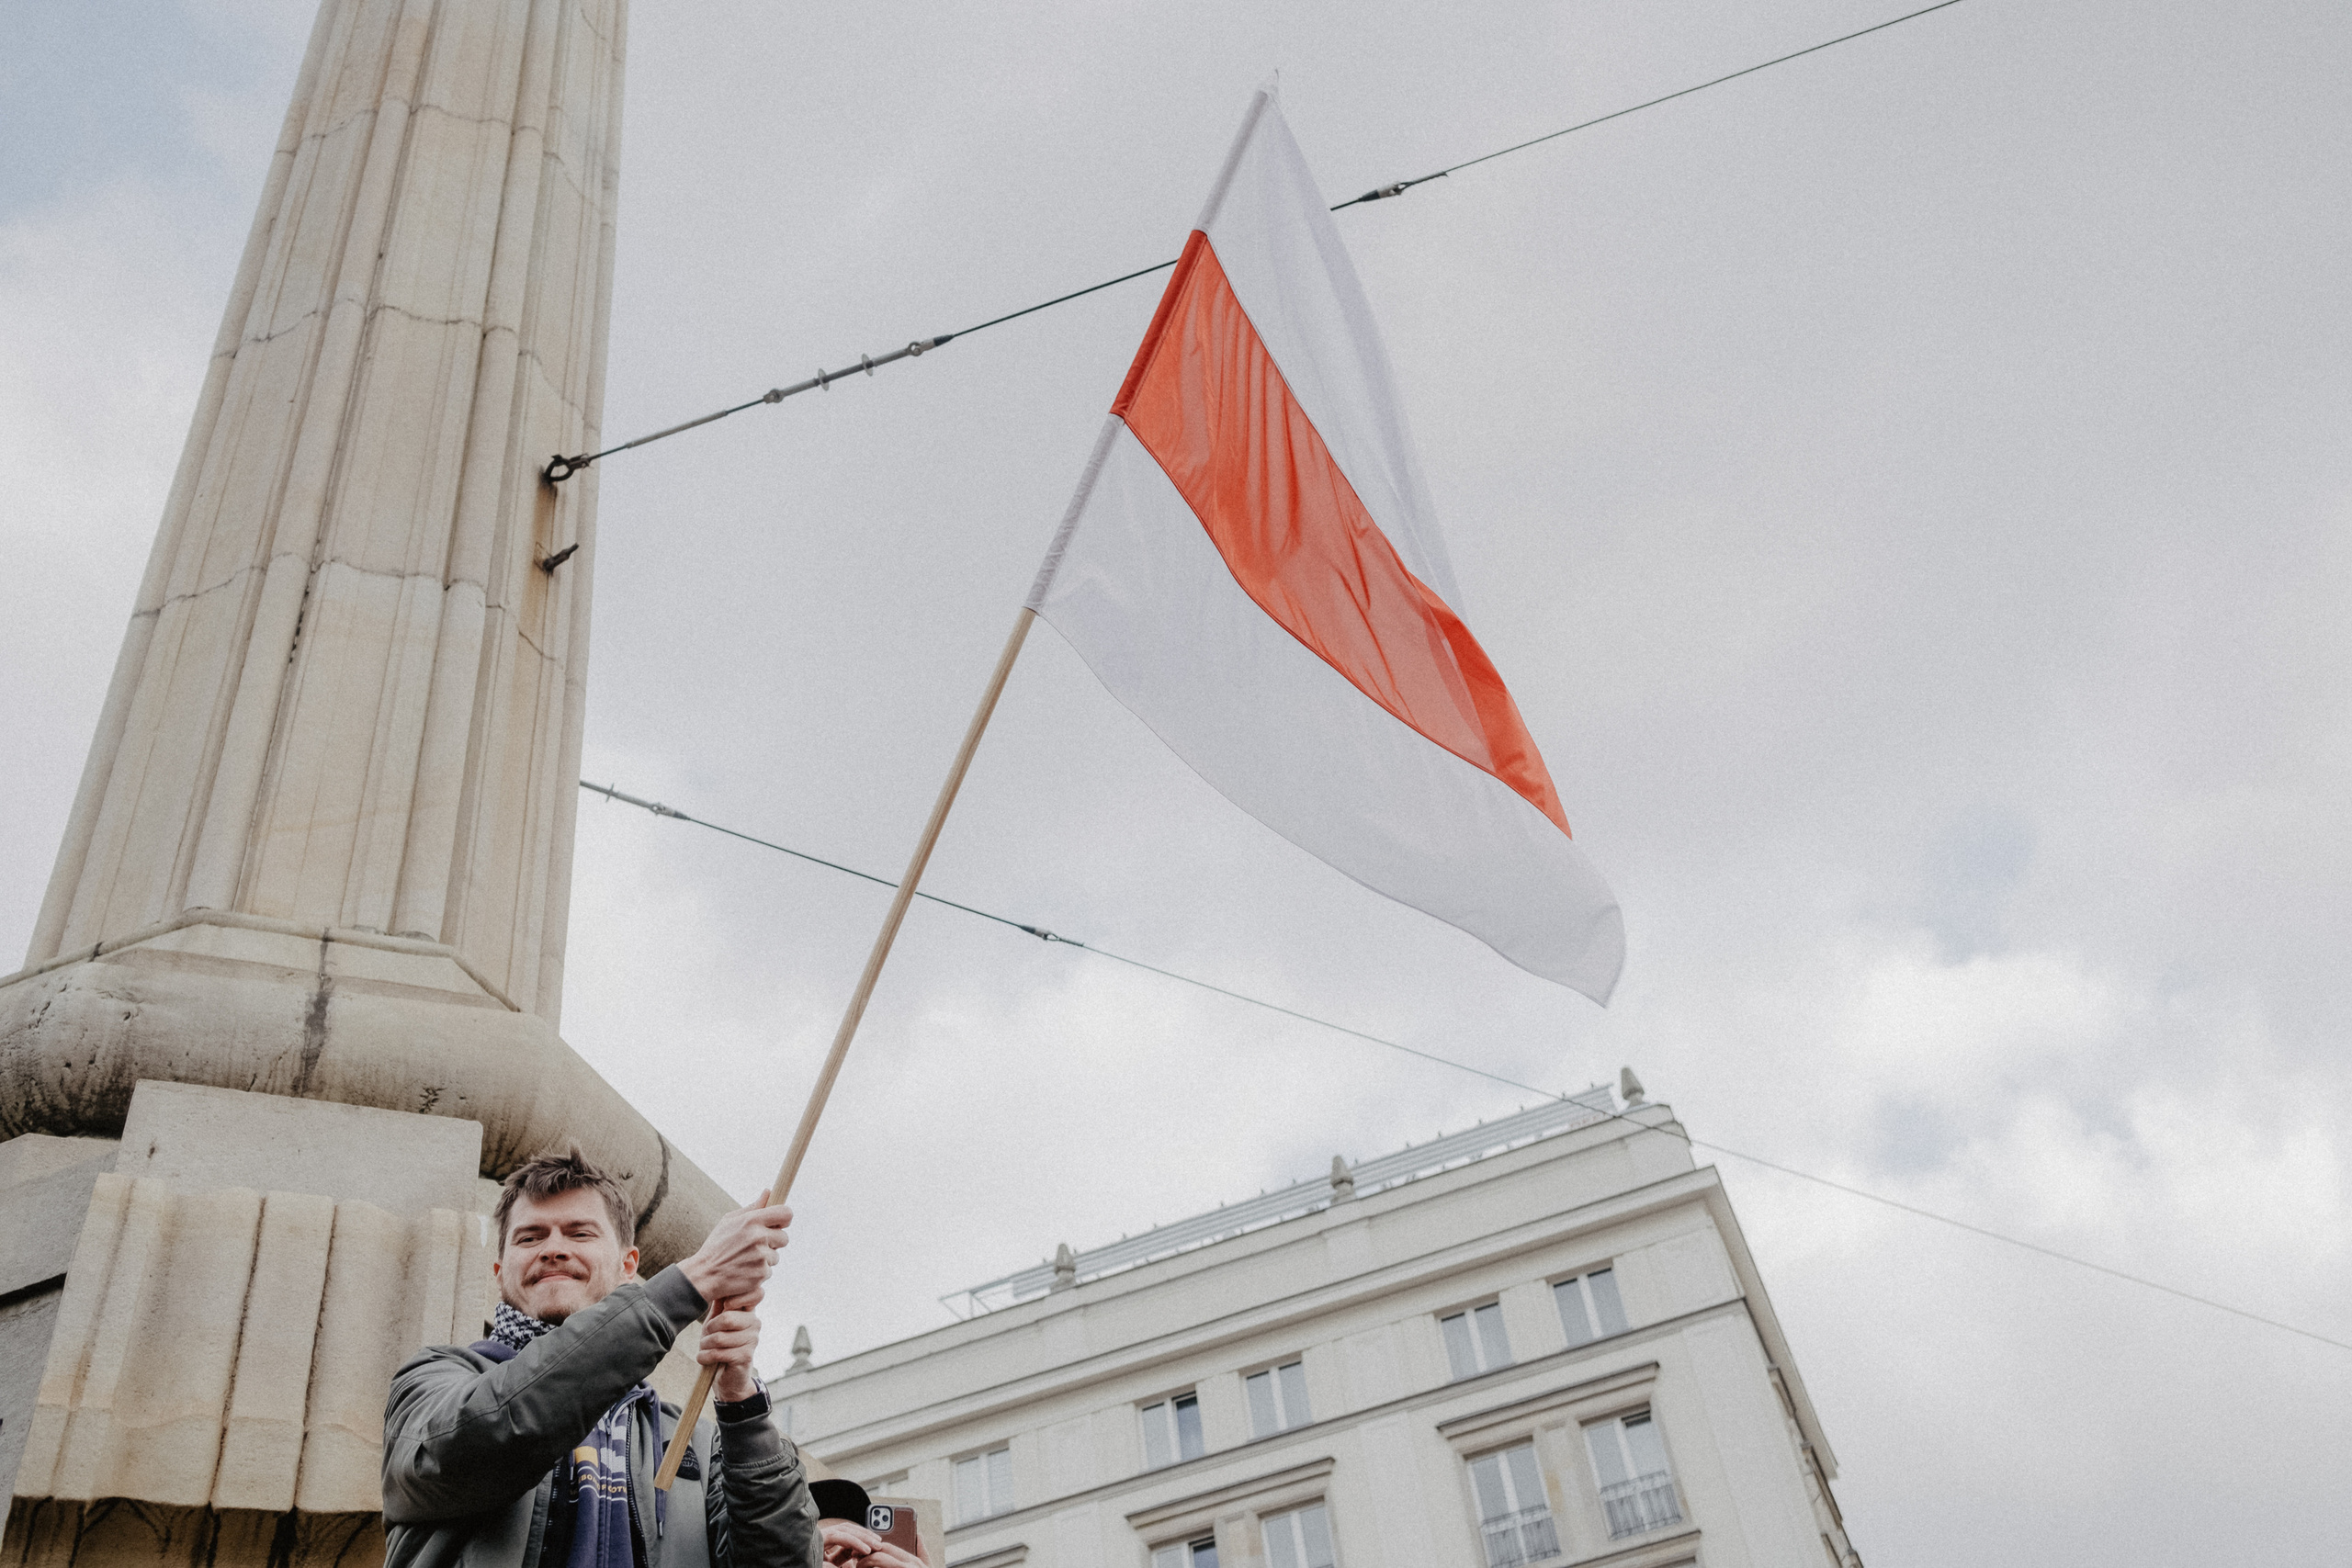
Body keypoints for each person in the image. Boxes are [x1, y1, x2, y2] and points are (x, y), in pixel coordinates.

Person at [382, 1149, 820, 1568]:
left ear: (629, 1266)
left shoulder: (698, 1448)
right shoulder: (434, 1382)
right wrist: (692, 1280)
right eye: (530, 1237)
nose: (552, 1249)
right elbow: (484, 1438)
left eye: (579, 1233)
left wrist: (742, 1406)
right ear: (499, 1273)